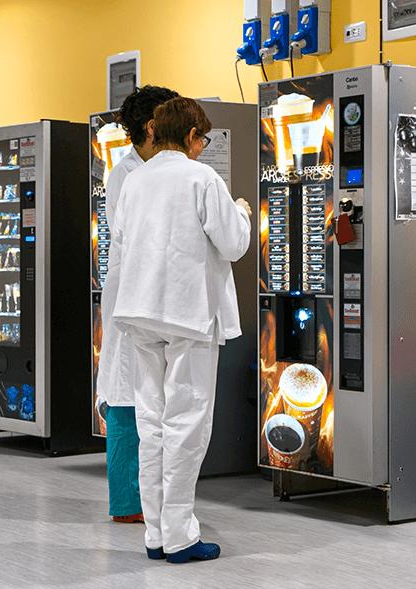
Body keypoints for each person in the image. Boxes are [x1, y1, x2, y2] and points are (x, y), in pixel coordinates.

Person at [111, 97, 252, 563]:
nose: (203, 146)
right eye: (203, 139)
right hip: (188, 315)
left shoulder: (135, 181)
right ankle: (181, 536)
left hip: (140, 313)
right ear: (192, 136)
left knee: (150, 424)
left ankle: (156, 534)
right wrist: (244, 213)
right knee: (186, 424)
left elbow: (123, 241)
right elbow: (232, 244)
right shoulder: (202, 178)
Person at [98, 85, 179, 525]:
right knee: (128, 394)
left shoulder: (153, 169)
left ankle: (151, 497)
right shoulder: (128, 175)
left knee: (148, 395)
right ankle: (129, 502)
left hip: (150, 296)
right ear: (154, 127)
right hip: (136, 296)